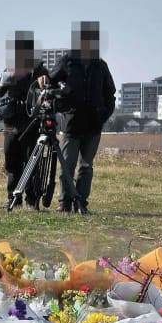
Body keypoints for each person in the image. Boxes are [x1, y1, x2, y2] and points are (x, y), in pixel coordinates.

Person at [50, 20, 116, 214]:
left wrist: (103, 116)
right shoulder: (67, 61)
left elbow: (110, 94)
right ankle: (65, 202)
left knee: (86, 166)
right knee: (67, 165)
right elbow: (50, 83)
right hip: (72, 124)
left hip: (93, 125)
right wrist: (60, 103)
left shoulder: (101, 66)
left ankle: (81, 202)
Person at [0, 30, 49, 209]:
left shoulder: (39, 68)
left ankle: (32, 201)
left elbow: (50, 85)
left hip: (31, 123)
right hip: (11, 123)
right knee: (12, 164)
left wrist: (44, 81)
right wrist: (6, 79)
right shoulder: (10, 68)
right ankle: (13, 199)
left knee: (32, 162)